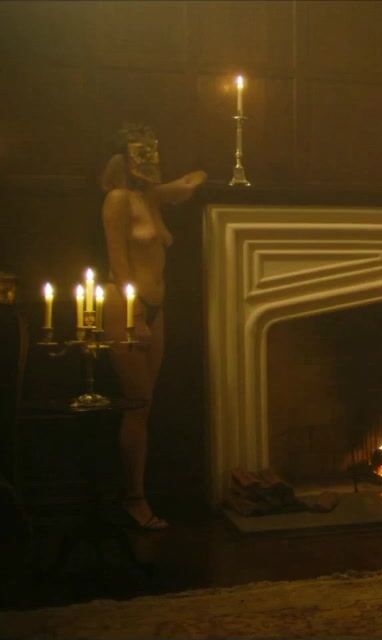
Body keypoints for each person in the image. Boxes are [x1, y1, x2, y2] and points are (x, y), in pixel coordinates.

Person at [98, 124, 206, 531]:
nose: (149, 161)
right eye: (141, 154)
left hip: (156, 306)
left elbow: (192, 182)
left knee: (145, 406)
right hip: (127, 306)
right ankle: (134, 498)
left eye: (152, 153)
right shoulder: (117, 200)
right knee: (137, 403)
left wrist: (173, 182)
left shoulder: (149, 198)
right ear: (123, 159)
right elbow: (118, 262)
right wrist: (135, 315)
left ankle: (137, 493)